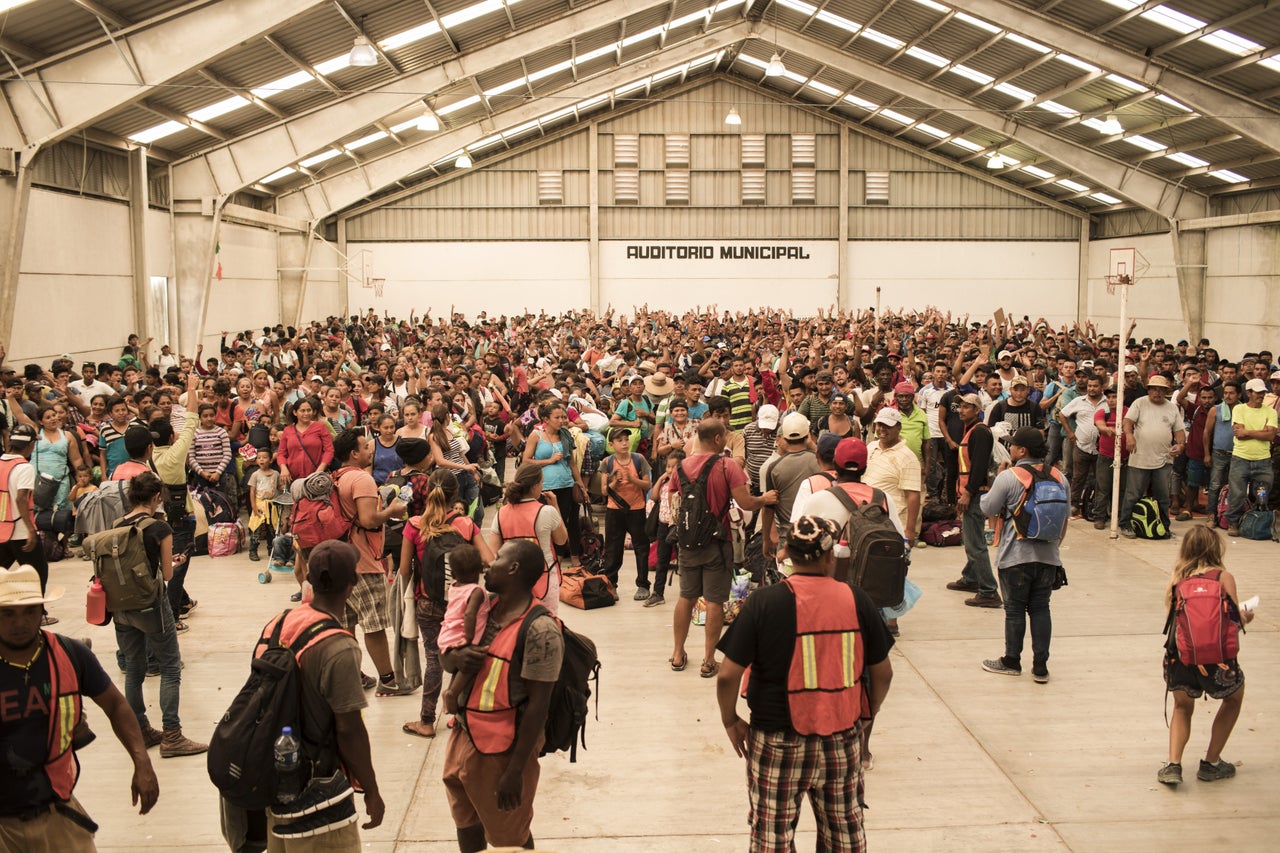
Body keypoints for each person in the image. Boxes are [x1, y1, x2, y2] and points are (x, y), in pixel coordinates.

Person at [715, 515, 894, 853]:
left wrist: (730, 719)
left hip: (775, 743)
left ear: (786, 553)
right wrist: (866, 715)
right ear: (830, 557)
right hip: (841, 738)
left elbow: (726, 676)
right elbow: (882, 673)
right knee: (845, 833)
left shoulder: (763, 602)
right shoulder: (856, 600)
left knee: (772, 836)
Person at [0, 566, 160, 849]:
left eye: (29, 611)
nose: (20, 622)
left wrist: (142, 761)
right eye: (7, 613)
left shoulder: (70, 654)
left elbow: (116, 705)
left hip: (55, 810)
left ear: (42, 611)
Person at [441, 539, 563, 853]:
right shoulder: (484, 606)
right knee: (465, 821)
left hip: (503, 749)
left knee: (511, 835)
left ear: (513, 568)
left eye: (496, 558)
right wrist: (457, 659)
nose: (487, 564)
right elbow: (446, 655)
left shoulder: (541, 631)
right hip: (465, 734)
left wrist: (515, 771)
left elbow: (538, 706)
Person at [261, 539, 385, 847]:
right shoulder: (339, 647)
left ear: (308, 579)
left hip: (276, 773)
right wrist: (371, 789)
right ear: (353, 582)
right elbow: (349, 729)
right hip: (318, 790)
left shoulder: (278, 624)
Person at [667, 418, 776, 678]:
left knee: (687, 596)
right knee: (715, 601)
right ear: (717, 438)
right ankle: (708, 659)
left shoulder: (680, 467)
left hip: (687, 542)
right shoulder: (727, 465)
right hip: (717, 542)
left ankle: (678, 653)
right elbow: (746, 503)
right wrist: (765, 498)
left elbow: (674, 500)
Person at [111, 472, 207, 756]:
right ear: (156, 498)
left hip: (121, 605)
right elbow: (166, 574)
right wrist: (175, 562)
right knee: (170, 667)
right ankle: (172, 735)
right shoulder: (160, 528)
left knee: (134, 667)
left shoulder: (118, 523)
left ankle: (140, 728)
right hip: (152, 605)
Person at [399, 469, 493, 739]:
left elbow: (404, 570)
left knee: (433, 660)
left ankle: (427, 721)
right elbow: (487, 558)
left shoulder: (415, 525)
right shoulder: (464, 524)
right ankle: (458, 715)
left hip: (427, 603)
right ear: (456, 494)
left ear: (426, 492)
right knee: (462, 655)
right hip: (461, 605)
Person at [1158, 525, 1253, 787]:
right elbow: (1234, 619)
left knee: (1182, 707)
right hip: (1218, 659)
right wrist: (1247, 615)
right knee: (1234, 699)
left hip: (1181, 657)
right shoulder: (1223, 577)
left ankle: (1173, 765)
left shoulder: (1178, 578)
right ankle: (1211, 763)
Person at [979, 427, 1068, 682]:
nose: (1010, 449)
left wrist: (999, 476)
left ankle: (1011, 661)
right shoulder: (1059, 477)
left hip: (1015, 555)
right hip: (1048, 556)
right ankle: (1040, 666)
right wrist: (1054, 547)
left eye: (1013, 445)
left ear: (1022, 450)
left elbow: (988, 507)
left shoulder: (1009, 477)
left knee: (1015, 610)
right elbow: (1065, 518)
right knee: (1041, 608)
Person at [329, 428, 410, 696]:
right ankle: (388, 680)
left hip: (339, 559)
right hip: (362, 561)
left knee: (346, 623)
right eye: (365, 447)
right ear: (353, 453)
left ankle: (353, 676)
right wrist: (391, 511)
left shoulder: (336, 477)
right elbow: (367, 520)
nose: (369, 451)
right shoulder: (361, 479)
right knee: (374, 624)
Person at [490, 462, 568, 616]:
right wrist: (555, 506)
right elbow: (562, 540)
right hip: (545, 577)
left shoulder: (501, 513)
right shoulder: (547, 511)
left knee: (517, 626)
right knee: (547, 623)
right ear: (534, 486)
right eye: (541, 482)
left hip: (512, 582)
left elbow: (494, 554)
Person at [947, 394, 1002, 608]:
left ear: (977, 410)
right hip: (971, 491)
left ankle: (988, 591)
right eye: (960, 407)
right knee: (971, 537)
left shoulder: (979, 431)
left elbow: (978, 466)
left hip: (975, 493)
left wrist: (968, 492)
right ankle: (971, 578)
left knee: (975, 543)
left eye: (967, 407)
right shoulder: (972, 430)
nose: (961, 410)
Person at [1119, 375, 1184, 538]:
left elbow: (1179, 431)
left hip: (1164, 459)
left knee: (1163, 495)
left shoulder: (1172, 407)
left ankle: (1164, 525)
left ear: (1166, 391)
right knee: (1133, 494)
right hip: (1139, 457)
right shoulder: (1139, 403)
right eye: (1154, 388)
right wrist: (1129, 435)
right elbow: (1127, 421)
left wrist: (1180, 445)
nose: (1157, 392)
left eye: (1161, 389)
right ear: (1148, 390)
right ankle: (1125, 523)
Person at [520, 401, 583, 568]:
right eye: (557, 417)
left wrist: (580, 484)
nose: (561, 420)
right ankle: (553, 555)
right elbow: (526, 461)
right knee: (548, 522)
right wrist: (549, 460)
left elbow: (572, 463)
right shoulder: (536, 435)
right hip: (545, 487)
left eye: (563, 417)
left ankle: (573, 555)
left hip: (567, 485)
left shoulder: (566, 435)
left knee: (571, 522)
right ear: (546, 419)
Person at [0, 425, 51, 613]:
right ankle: (38, 612)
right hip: (22, 531)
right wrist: (31, 530)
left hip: (3, 531)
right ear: (29, 446)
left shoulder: (1, 463)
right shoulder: (24, 467)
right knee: (38, 574)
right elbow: (21, 498)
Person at [436, 544, 490, 714]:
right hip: (460, 636)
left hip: (447, 633)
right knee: (469, 665)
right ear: (480, 569)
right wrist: (468, 637)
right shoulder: (476, 591)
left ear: (452, 573)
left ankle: (448, 691)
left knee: (460, 668)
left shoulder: (454, 587)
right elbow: (469, 615)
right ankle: (452, 693)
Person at [760, 412, 820, 560]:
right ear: (807, 436)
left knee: (789, 582)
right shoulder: (819, 462)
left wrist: (766, 539)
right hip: (818, 536)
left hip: (788, 540)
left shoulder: (774, 468)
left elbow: (768, 509)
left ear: (784, 438)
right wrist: (812, 444)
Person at [600, 428, 652, 598]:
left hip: (636, 509)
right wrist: (614, 483)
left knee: (641, 548)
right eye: (619, 440)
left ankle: (643, 585)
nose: (624, 443)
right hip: (614, 510)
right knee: (612, 549)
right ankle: (611, 585)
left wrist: (632, 479)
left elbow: (647, 485)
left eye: (626, 439)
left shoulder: (639, 459)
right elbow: (604, 491)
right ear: (611, 444)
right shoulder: (607, 462)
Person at [1224, 378, 1277, 536]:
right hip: (1241, 458)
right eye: (1258, 392)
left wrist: (1248, 432)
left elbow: (1271, 435)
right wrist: (1261, 432)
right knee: (1237, 493)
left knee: (1262, 492)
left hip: (1263, 460)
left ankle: (1256, 520)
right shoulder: (1239, 409)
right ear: (1249, 393)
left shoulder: (1270, 411)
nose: (1261, 395)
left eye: (1263, 392)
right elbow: (1239, 434)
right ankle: (1233, 522)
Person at [863, 408, 922, 548]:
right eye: (879, 425)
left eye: (888, 426)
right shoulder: (870, 447)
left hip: (892, 524)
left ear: (898, 428)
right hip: (868, 519)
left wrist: (910, 530)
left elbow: (913, 495)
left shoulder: (908, 457)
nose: (882, 429)